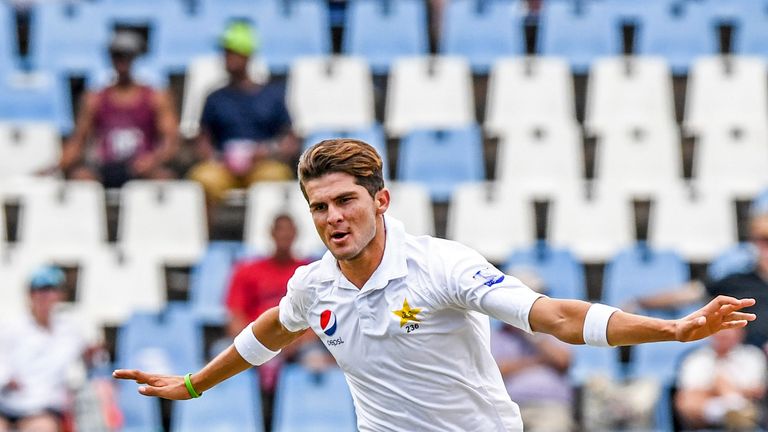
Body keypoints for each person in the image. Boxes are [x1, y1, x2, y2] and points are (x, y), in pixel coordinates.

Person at [115, 139, 756, 431]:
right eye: (319, 207)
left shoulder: (442, 266)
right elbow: (270, 332)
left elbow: (555, 317)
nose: (333, 218)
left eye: (346, 201)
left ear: (382, 200)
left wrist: (673, 328)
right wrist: (197, 383)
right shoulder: (313, 286)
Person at [187, 21, 300, 202]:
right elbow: (203, 136)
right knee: (203, 179)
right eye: (225, 52)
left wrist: (268, 151)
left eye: (232, 52)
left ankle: (267, 230)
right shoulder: (215, 97)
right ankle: (207, 231)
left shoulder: (272, 95)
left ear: (246, 55)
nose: (227, 57)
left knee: (274, 178)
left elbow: (290, 137)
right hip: (223, 166)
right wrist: (215, 157)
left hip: (263, 164)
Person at [629, 209, 768, 350]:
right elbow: (689, 294)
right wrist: (639, 302)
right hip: (742, 360)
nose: (765, 248)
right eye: (763, 240)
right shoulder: (736, 281)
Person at [56, 30, 180, 189]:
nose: (122, 61)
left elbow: (171, 140)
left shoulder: (155, 97)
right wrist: (57, 166)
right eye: (117, 55)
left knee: (165, 181)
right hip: (105, 167)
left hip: (142, 168)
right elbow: (79, 140)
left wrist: (152, 160)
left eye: (126, 56)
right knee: (80, 180)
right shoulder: (95, 98)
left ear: (135, 58)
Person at [0, 266, 94, 432]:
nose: (44, 296)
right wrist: (7, 378)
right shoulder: (11, 327)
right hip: (8, 404)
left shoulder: (69, 330)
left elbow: (89, 357)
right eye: (39, 290)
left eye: (51, 290)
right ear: (30, 294)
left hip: (45, 408)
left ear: (59, 295)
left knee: (42, 427)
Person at [490, 268, 574, 432]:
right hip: (506, 408)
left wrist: (533, 334)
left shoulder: (553, 332)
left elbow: (563, 362)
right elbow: (494, 371)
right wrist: (538, 361)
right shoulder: (496, 335)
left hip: (549, 407)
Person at [675, 327, 766, 430]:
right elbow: (689, 394)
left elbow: (757, 390)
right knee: (687, 401)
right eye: (719, 333)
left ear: (740, 334)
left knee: (721, 383)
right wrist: (721, 389)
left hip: (749, 408)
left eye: (728, 333)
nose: (723, 336)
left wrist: (721, 387)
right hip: (703, 414)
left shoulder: (752, 355)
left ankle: (732, 409)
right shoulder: (695, 358)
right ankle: (733, 408)